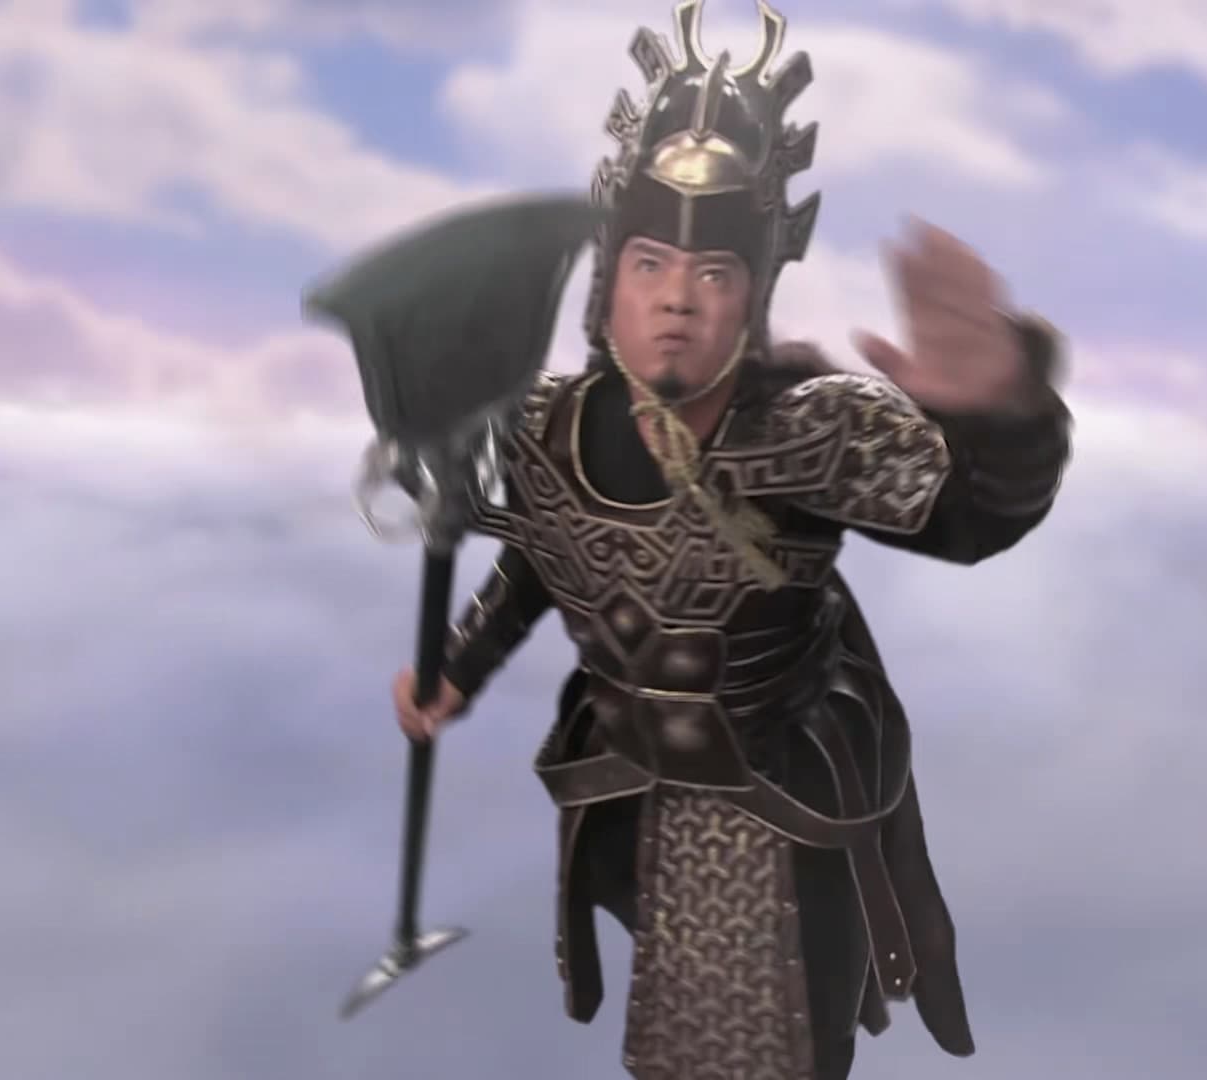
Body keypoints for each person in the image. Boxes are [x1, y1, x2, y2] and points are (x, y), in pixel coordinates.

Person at [390, 2, 1071, 1077]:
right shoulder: (545, 426)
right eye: (650, 265)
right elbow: (539, 560)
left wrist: (999, 413)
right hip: (627, 788)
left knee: (779, 1050)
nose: (677, 301)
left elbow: (973, 515)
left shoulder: (811, 428)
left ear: (753, 295)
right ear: (611, 281)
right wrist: (458, 670)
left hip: (779, 803)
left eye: (713, 275)